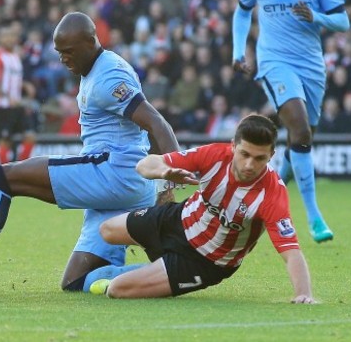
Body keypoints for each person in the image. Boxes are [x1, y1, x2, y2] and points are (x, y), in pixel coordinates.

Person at [0, 12, 180, 293]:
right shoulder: (97, 69)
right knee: (76, 282)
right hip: (122, 186)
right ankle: (165, 272)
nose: (63, 59)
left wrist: (167, 186)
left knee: (3, 177)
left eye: (69, 52)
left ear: (91, 41)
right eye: (59, 53)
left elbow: (158, 124)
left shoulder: (109, 76)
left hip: (113, 174)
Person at [84, 114, 316, 303]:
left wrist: (303, 294)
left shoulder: (272, 193)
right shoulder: (214, 155)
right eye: (245, 154)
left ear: (271, 155)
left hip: (205, 261)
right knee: (107, 230)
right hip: (177, 219)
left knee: (117, 289)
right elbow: (144, 165)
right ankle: (155, 268)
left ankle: (147, 274)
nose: (249, 165)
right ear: (233, 146)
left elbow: (291, 251)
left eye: (259, 158)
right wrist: (164, 171)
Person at [231, 0, 350, 243]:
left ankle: (273, 184)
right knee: (298, 128)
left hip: (311, 65)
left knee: (304, 136)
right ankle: (314, 218)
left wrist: (317, 17)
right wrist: (239, 50)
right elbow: (242, 12)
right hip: (274, 62)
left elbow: (343, 21)